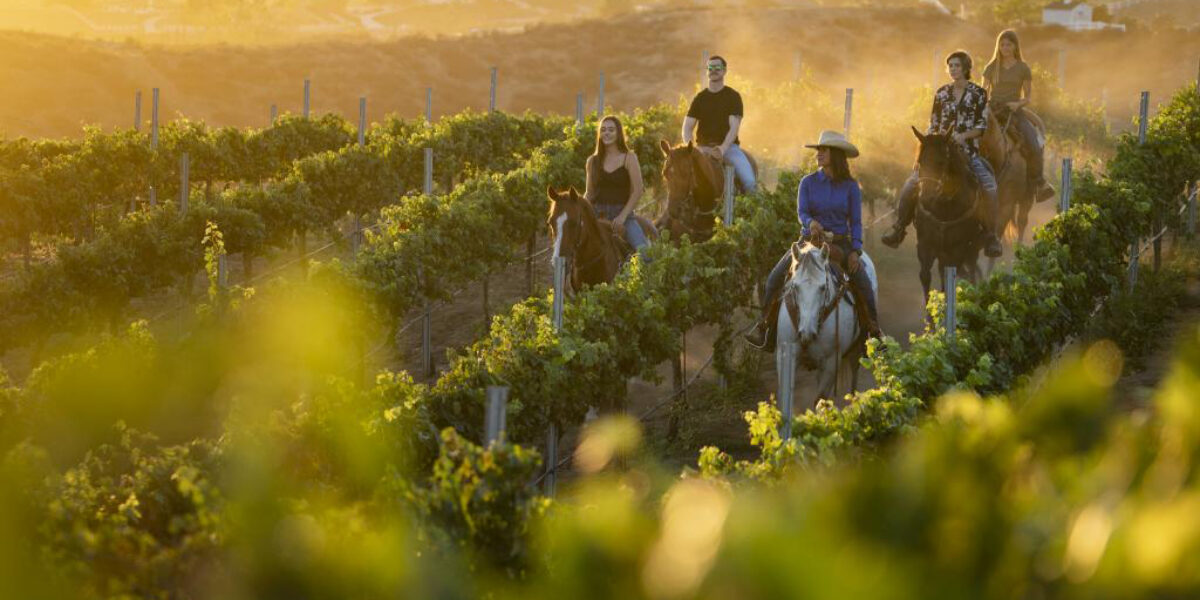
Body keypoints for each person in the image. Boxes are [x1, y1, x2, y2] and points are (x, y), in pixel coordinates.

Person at [744, 130, 880, 349]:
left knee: (863, 283)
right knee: (774, 279)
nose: (818, 153)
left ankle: (873, 332)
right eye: (818, 149)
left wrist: (855, 250)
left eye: (823, 150)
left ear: (835, 154)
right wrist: (810, 223)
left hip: (839, 245)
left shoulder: (851, 187)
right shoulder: (807, 183)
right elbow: (802, 211)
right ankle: (765, 326)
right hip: (809, 242)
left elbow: (855, 222)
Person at [881, 50, 1004, 259]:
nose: (953, 69)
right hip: (940, 152)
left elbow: (981, 127)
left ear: (966, 68)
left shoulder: (978, 94)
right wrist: (928, 145)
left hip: (968, 152)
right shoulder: (941, 93)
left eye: (957, 65)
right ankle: (899, 228)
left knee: (989, 186)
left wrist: (963, 136)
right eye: (950, 66)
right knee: (911, 184)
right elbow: (934, 123)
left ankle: (991, 236)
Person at [982, 29, 1056, 203]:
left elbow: (1028, 97)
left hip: (1014, 111)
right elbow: (983, 91)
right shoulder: (991, 67)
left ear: (1015, 46)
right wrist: (983, 106)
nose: (1005, 47)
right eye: (1002, 44)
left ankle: (1039, 183)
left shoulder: (1023, 68)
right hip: (993, 110)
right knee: (973, 138)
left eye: (1009, 44)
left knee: (1033, 141)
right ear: (998, 46)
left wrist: (1017, 104)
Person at [682, 55, 757, 193]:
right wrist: (690, 148)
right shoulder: (700, 98)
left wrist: (722, 148)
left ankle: (749, 212)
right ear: (707, 71)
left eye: (717, 67)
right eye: (710, 67)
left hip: (729, 149)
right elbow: (687, 127)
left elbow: (734, 127)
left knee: (750, 182)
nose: (714, 70)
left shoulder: (733, 96)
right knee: (679, 177)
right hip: (702, 149)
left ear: (724, 71)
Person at [584, 115, 650, 257]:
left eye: (611, 130)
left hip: (623, 217)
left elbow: (638, 190)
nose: (606, 133)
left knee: (646, 255)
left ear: (619, 133)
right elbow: (589, 193)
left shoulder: (629, 157)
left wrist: (622, 217)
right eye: (603, 130)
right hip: (597, 216)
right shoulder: (592, 161)